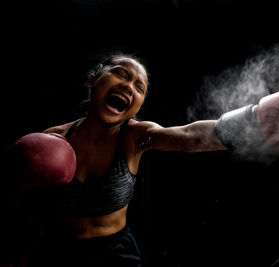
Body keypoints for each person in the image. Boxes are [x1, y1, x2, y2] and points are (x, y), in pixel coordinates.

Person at [20, 53, 226, 267]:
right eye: (121, 74)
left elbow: (189, 137)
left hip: (115, 256)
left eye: (139, 88)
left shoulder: (134, 136)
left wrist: (254, 118)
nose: (129, 87)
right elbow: (18, 202)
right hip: (56, 252)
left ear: (138, 106)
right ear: (92, 80)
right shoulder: (54, 138)